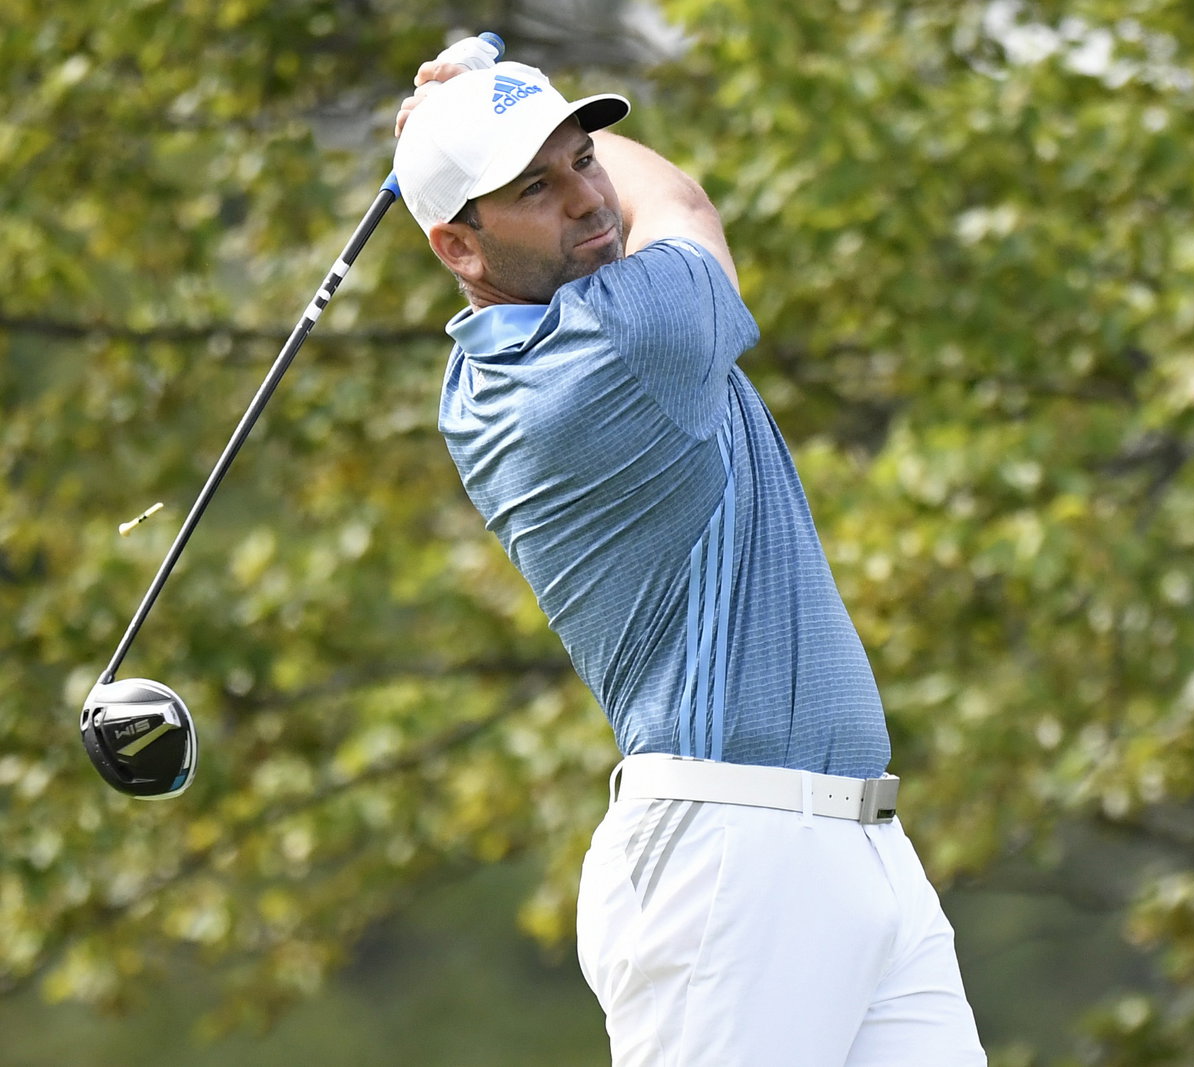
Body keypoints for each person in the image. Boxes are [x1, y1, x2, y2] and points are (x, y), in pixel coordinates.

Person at [392, 41, 987, 1067]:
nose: (588, 198)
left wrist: (485, 118)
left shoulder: (494, 367)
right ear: (459, 248)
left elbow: (632, 209)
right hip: (734, 853)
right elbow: (683, 202)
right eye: (536, 186)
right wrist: (498, 89)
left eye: (584, 158)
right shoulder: (618, 349)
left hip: (857, 847)